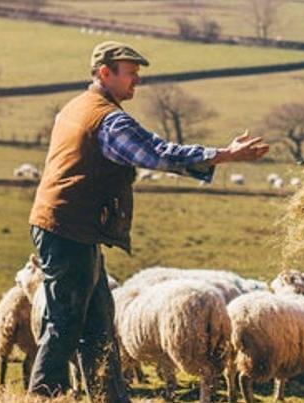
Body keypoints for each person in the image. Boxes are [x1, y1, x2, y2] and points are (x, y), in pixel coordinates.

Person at [26, 40, 269, 399]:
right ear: (104, 73)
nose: (136, 81)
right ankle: (41, 396)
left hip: (70, 227)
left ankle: (110, 396)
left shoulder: (78, 106)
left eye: (138, 74)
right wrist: (223, 155)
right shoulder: (109, 120)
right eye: (131, 74)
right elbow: (156, 153)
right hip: (69, 229)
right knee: (65, 322)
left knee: (98, 323)